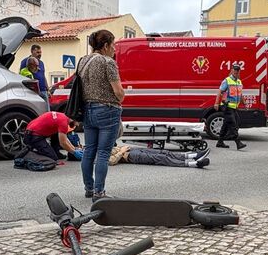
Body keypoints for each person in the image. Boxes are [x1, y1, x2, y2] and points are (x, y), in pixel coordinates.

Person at [78, 29, 125, 200]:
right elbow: (118, 92)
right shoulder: (108, 62)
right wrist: (122, 95)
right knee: (104, 153)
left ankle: (89, 188)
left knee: (89, 150)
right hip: (107, 110)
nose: (114, 50)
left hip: (88, 110)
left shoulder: (83, 61)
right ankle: (99, 192)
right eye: (113, 45)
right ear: (105, 46)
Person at [214, 63, 247, 150]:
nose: (236, 72)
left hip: (234, 107)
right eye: (234, 71)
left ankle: (220, 142)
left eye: (237, 71)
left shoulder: (239, 82)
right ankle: (238, 142)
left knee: (226, 124)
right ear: (232, 71)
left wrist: (244, 103)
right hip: (227, 106)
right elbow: (220, 92)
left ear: (239, 72)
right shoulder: (227, 81)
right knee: (233, 124)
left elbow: (240, 94)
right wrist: (216, 103)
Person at [109, 144, 211, 168]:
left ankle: (194, 155)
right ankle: (194, 164)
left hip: (130, 150)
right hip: (129, 156)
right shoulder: (95, 153)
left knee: (164, 152)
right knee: (162, 158)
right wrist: (121, 151)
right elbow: (112, 161)